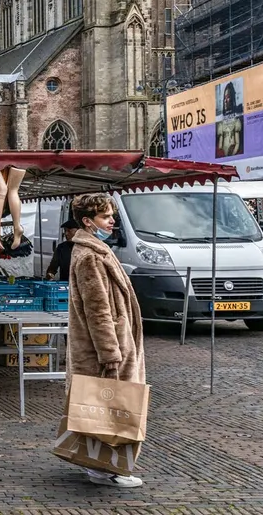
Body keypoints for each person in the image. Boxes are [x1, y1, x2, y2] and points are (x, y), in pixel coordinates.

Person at [65, 193, 147, 489]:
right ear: (88, 222)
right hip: (110, 347)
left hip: (116, 341)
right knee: (112, 409)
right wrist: (110, 352)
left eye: (111, 215)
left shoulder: (96, 250)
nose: (112, 220)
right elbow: (97, 309)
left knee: (106, 407)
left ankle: (101, 467)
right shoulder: (89, 255)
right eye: (105, 216)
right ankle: (106, 469)